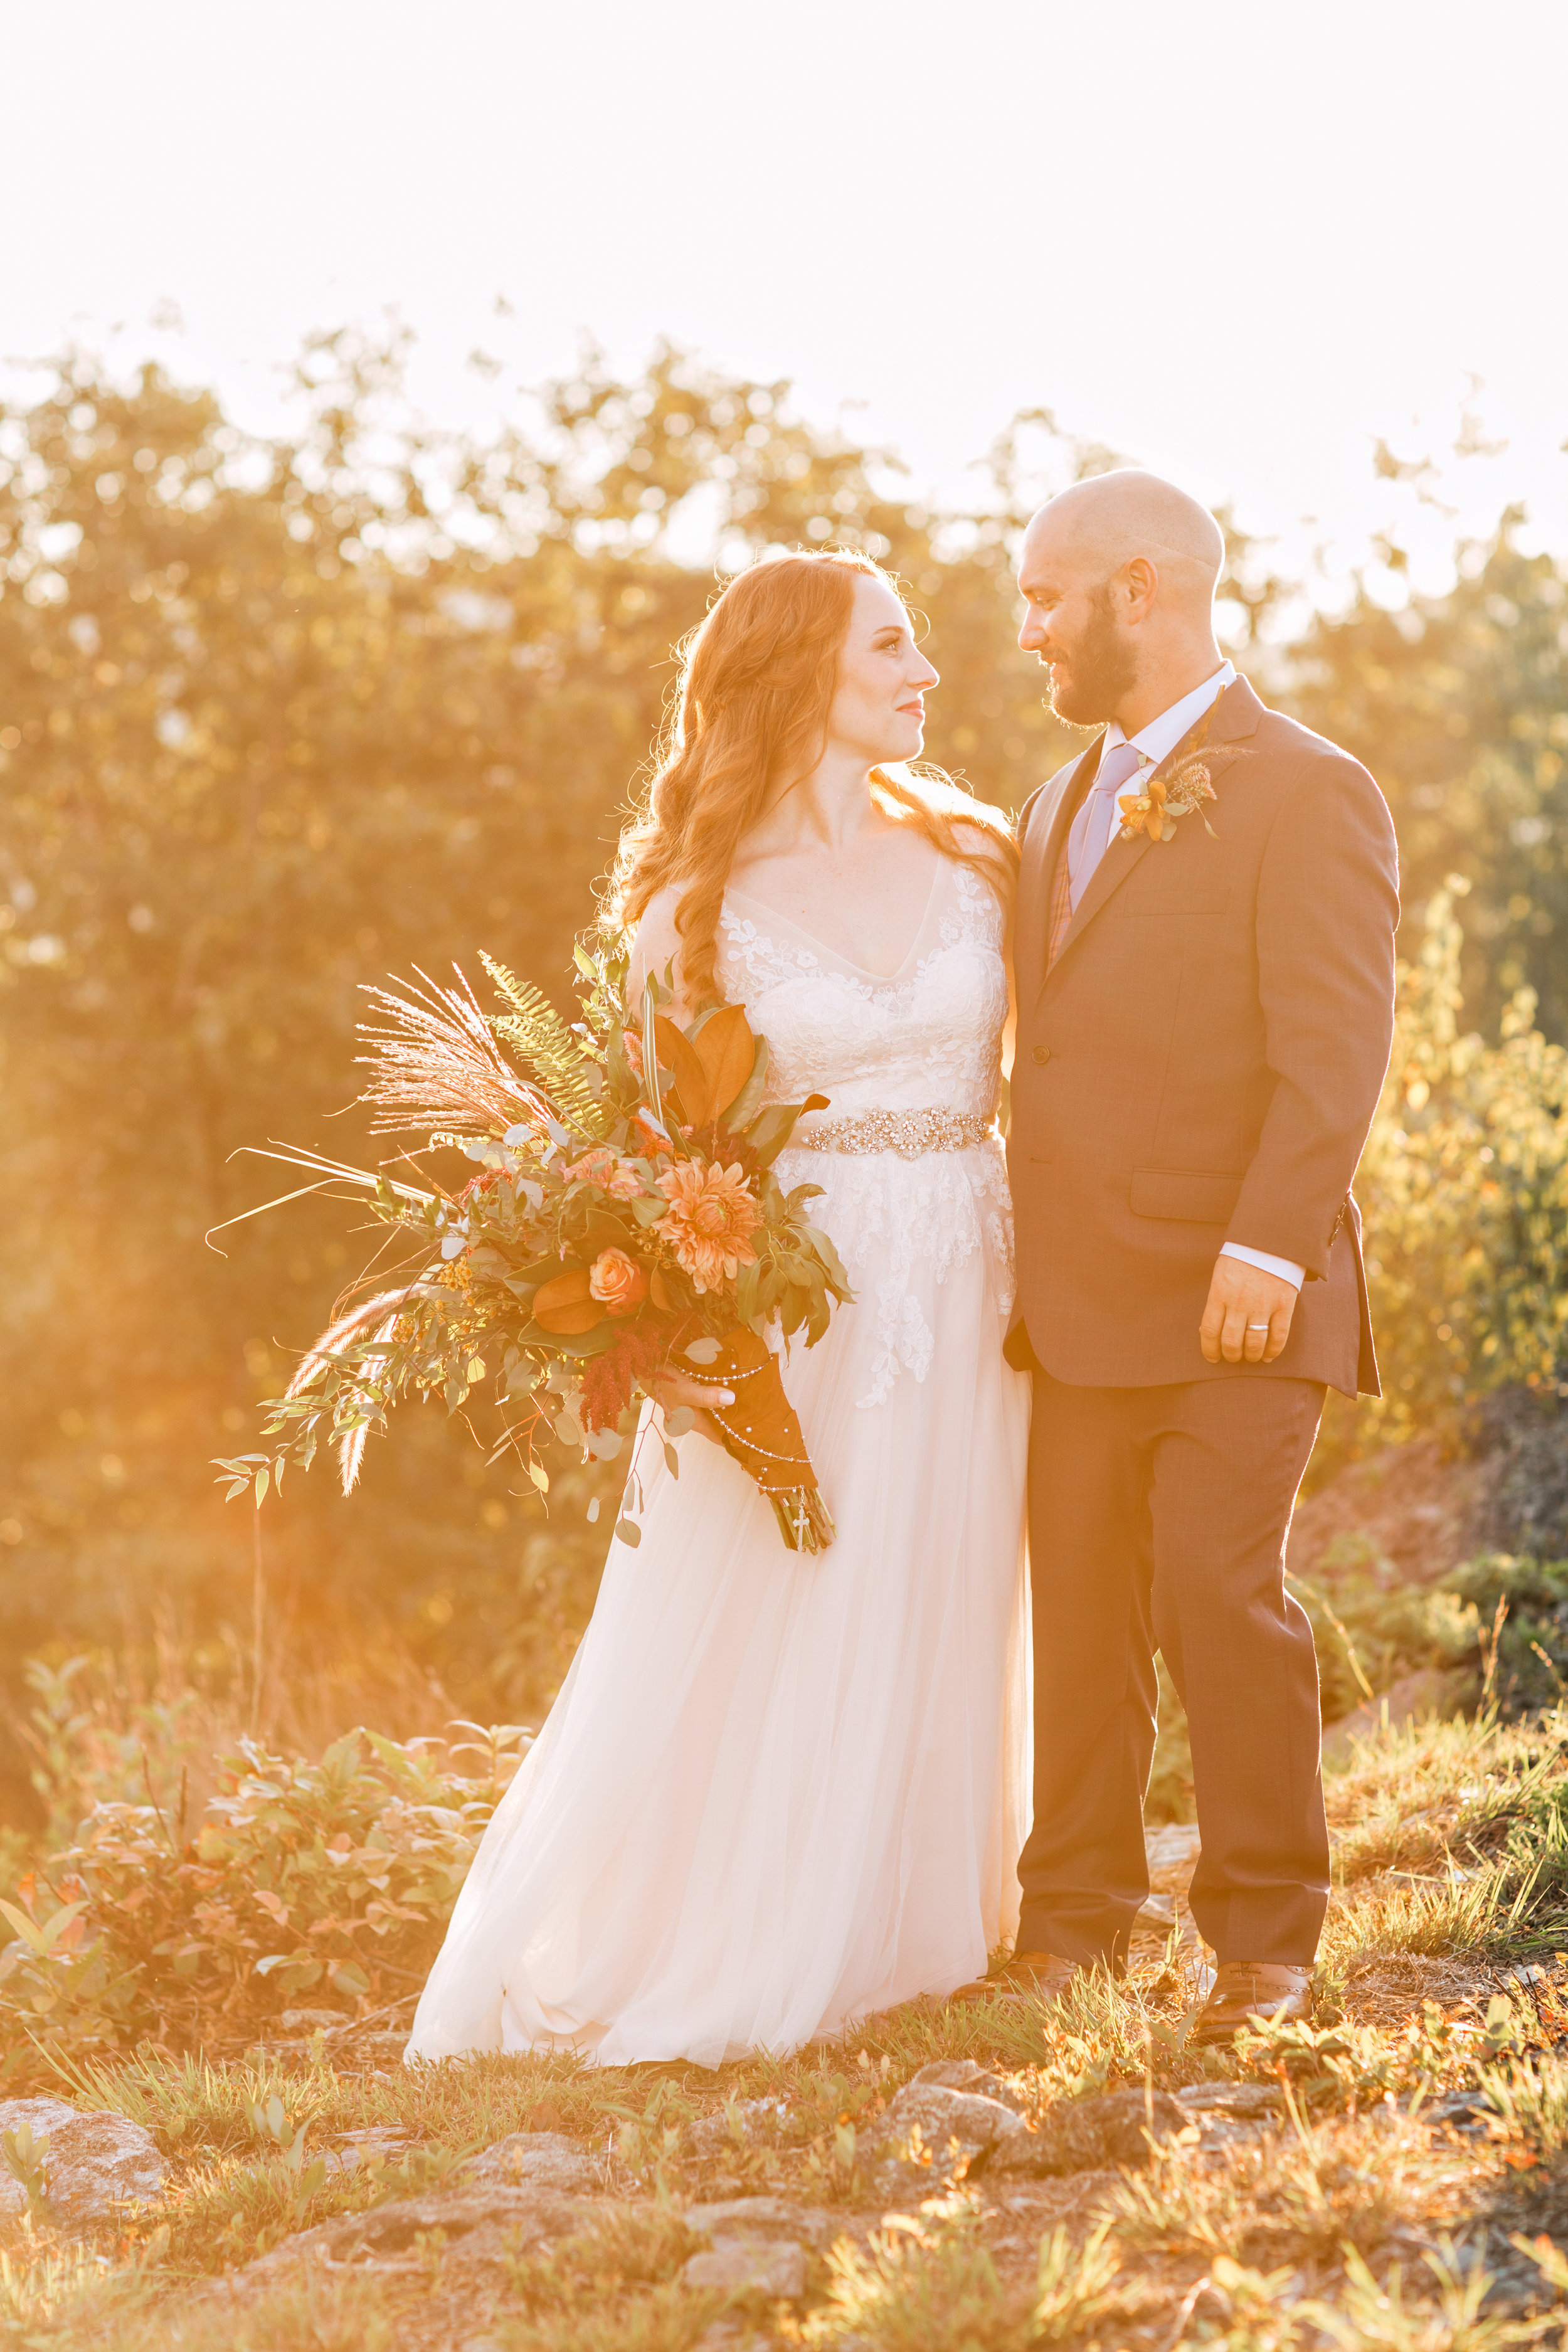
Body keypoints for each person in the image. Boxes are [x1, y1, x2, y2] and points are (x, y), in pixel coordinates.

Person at [406, 550, 1031, 2069]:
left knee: (947, 1573)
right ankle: (751, 1934)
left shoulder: (980, 850)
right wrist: (658, 1333)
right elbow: (645, 1155)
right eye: (891, 646)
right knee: (785, 1591)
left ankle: (918, 1922)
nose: (924, 673)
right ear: (797, 670)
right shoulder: (689, 914)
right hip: (800, 1298)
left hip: (978, 1264)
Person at [958, 471, 1399, 2043]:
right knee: (1079, 1613)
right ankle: (1075, 1922)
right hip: (1073, 1300)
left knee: (1221, 1599)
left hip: (1237, 1293)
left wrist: (1269, 1250)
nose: (1025, 632)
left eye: (1043, 597)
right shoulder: (1051, 799)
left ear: (1135, 590)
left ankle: (1264, 1943)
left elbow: (1333, 1051)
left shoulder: (1304, 788)